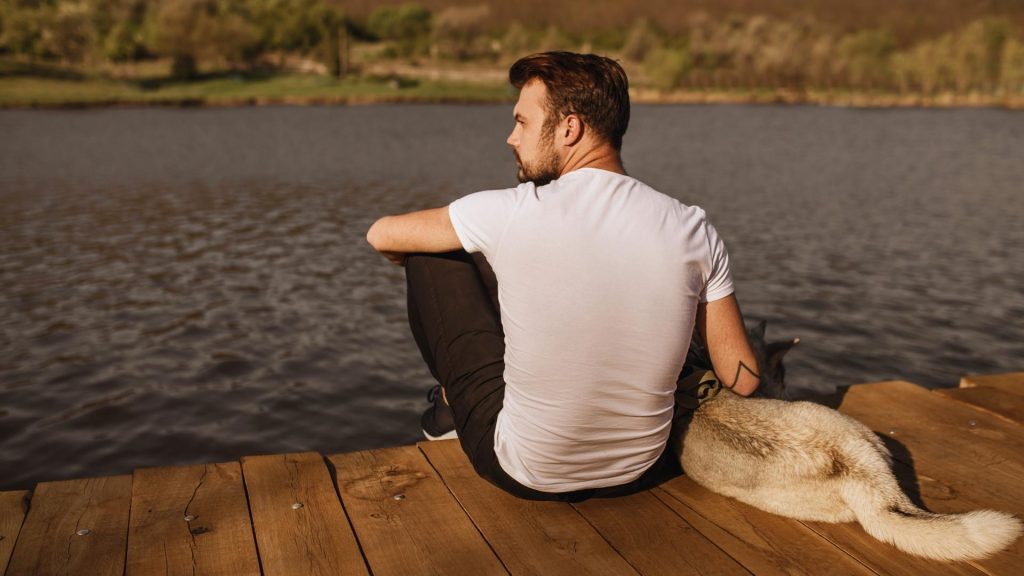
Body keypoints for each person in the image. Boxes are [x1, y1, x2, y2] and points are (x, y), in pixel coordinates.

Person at [366, 51, 759, 502]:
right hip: (637, 470)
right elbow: (744, 378)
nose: (512, 137)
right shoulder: (692, 227)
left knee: (430, 252)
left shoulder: (512, 211)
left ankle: (449, 409)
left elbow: (381, 235)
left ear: (569, 128)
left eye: (523, 122)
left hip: (526, 471)